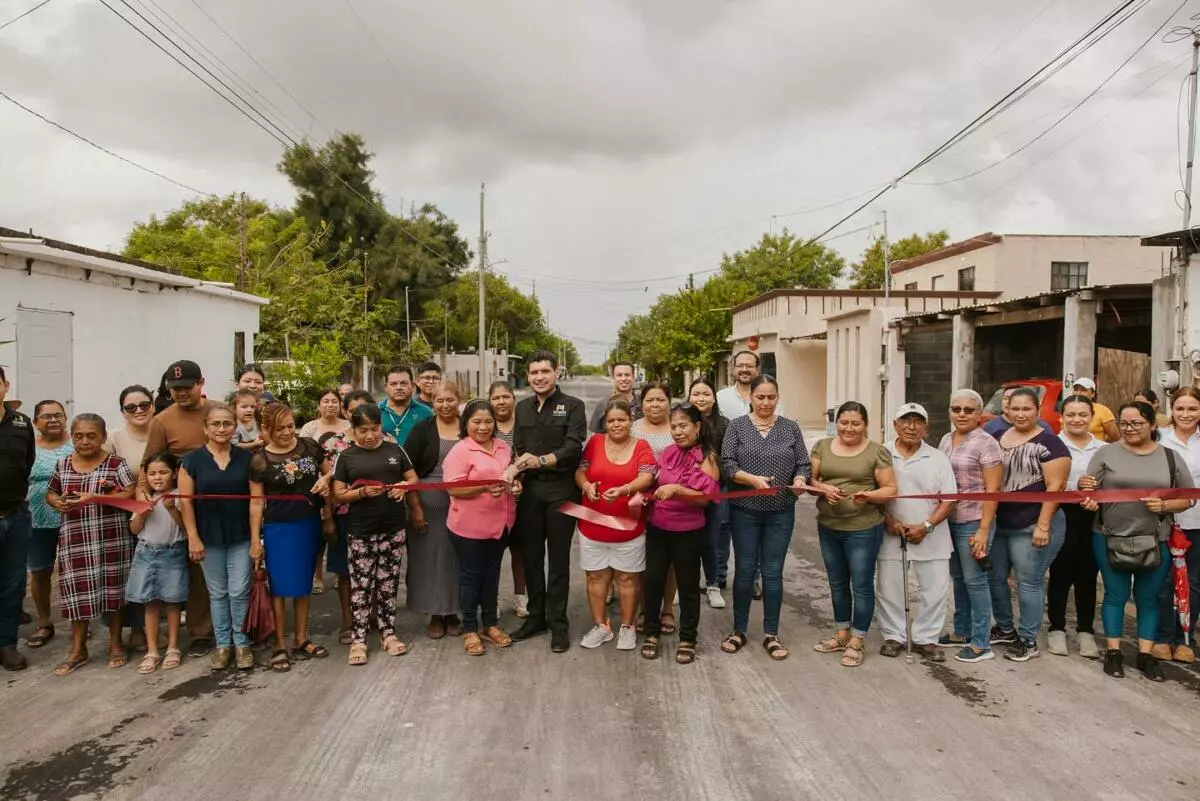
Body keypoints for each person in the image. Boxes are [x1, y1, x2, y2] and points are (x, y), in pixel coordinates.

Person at [1079, 401, 1195, 681]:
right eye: (1124, 424)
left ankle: (1145, 655)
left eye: (1136, 424)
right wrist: (1087, 498)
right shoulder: (1106, 453)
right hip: (1108, 536)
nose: (1129, 429)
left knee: (1149, 599)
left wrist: (1166, 506)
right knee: (1115, 595)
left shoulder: (1170, 457)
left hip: (1156, 538)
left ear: (1153, 425)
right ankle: (1114, 652)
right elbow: (1088, 490)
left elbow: (1189, 497)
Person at [720, 376, 814, 661]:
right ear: (751, 398)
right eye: (760, 397)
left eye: (771, 397)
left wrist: (799, 479)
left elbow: (804, 463)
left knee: (773, 573)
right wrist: (752, 480)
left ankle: (771, 634)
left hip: (780, 511)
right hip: (744, 510)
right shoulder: (737, 426)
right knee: (745, 570)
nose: (765, 403)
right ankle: (738, 630)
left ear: (778, 398)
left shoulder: (790, 428)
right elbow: (727, 464)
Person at [503, 350, 587, 653]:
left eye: (545, 371)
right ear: (528, 375)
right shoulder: (522, 408)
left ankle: (559, 624)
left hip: (563, 492)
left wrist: (539, 460)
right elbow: (519, 448)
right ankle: (536, 618)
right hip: (530, 494)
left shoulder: (573, 406)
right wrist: (515, 475)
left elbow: (573, 448)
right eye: (534, 372)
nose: (539, 377)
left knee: (559, 561)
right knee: (533, 559)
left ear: (557, 373)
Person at [45, 414, 137, 674]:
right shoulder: (63, 464)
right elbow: (50, 491)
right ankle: (78, 649)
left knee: (114, 591)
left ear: (103, 438)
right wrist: (56, 502)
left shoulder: (115, 464)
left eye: (91, 435)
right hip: (75, 540)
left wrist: (94, 497)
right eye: (78, 436)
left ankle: (116, 644)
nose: (84, 441)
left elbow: (130, 493)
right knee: (77, 592)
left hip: (111, 540)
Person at [806, 401, 895, 667]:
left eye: (855, 423)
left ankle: (858, 638)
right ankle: (842, 632)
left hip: (863, 529)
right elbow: (809, 481)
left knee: (861, 584)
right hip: (829, 526)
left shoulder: (877, 451)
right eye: (844, 422)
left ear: (865, 424)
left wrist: (868, 496)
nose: (849, 428)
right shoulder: (822, 446)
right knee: (837, 583)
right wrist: (824, 489)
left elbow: (890, 488)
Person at [331, 404, 421, 666]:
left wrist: (404, 487)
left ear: (381, 427)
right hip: (360, 531)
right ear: (354, 430)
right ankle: (359, 639)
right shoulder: (346, 457)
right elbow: (338, 494)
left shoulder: (395, 450)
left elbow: (413, 479)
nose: (370, 435)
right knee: (361, 587)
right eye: (363, 430)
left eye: (374, 429)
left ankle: (388, 633)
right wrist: (359, 493)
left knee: (388, 584)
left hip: (393, 529)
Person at [988, 387, 1071, 662]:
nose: (1021, 414)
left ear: (1037, 411)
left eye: (1027, 409)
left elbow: (1055, 487)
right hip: (1002, 524)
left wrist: (1043, 525)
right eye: (1015, 409)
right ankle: (1005, 627)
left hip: (1033, 524)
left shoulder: (1051, 443)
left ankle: (1028, 639)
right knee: (995, 577)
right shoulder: (997, 438)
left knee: (1028, 582)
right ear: (1007, 411)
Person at [141, 359, 217, 658]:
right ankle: (198, 631)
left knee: (225, 563)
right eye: (174, 389)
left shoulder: (218, 412)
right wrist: (144, 493)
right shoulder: (162, 420)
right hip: (181, 505)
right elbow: (150, 463)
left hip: (220, 500)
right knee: (192, 566)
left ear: (201, 383)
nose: (181, 394)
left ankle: (232, 624)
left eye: (186, 387)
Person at [249, 401, 332, 672]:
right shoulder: (260, 460)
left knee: (303, 583)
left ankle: (301, 637)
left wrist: (326, 480)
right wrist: (255, 541)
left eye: (289, 426)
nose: (286, 433)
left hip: (308, 523)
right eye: (279, 428)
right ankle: (279, 644)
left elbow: (330, 470)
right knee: (279, 587)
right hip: (278, 528)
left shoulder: (309, 446)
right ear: (266, 429)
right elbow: (256, 503)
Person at [641, 403, 720, 664]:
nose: (677, 431)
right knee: (652, 582)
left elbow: (705, 501)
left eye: (683, 425)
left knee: (687, 587)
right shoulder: (666, 453)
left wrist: (678, 490)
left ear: (697, 427)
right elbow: (655, 482)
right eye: (673, 426)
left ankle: (688, 638)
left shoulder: (707, 458)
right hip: (658, 528)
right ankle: (651, 632)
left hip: (688, 532)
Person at [178, 403, 255, 671]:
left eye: (227, 423)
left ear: (235, 427)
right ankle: (223, 644)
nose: (222, 429)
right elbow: (185, 503)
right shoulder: (191, 461)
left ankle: (242, 643)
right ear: (205, 428)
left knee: (239, 591)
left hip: (240, 534)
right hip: (208, 536)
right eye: (216, 424)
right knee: (218, 593)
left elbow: (256, 501)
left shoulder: (247, 459)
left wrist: (257, 540)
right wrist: (193, 537)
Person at [575, 399, 656, 651]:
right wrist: (586, 486)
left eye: (621, 420)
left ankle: (628, 627)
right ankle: (602, 626)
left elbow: (648, 476)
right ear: (604, 423)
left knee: (627, 579)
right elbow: (581, 471)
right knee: (596, 576)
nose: (616, 424)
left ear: (630, 421)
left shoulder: (641, 445)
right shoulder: (595, 442)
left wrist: (625, 489)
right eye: (611, 421)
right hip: (593, 525)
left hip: (628, 529)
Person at [879, 403, 956, 662]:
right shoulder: (881, 453)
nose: (912, 427)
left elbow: (949, 499)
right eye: (906, 421)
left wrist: (927, 526)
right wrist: (888, 519)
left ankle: (926, 638)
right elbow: (870, 492)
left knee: (934, 590)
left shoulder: (938, 457)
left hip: (931, 534)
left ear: (926, 427)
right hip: (892, 532)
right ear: (895, 425)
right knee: (890, 587)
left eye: (918, 421)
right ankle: (894, 635)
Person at [444, 399, 521, 655]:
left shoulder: (502, 447)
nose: (483, 427)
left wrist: (514, 485)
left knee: (492, 575)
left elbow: (509, 477)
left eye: (488, 421)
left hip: (500, 525)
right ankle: (469, 629)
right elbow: (453, 489)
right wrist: (485, 486)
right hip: (468, 528)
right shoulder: (460, 451)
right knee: (471, 577)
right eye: (476, 421)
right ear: (466, 423)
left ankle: (490, 625)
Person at [937, 389, 1003, 663]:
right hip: (948, 521)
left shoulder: (987, 443)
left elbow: (993, 491)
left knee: (976, 581)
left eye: (968, 410)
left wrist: (983, 530)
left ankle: (981, 642)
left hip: (973, 521)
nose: (961, 414)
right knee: (959, 579)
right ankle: (961, 631)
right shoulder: (945, 439)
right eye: (956, 409)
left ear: (979, 414)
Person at [402, 380, 462, 639]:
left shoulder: (469, 426)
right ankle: (434, 615)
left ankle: (454, 612)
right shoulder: (422, 429)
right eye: (439, 401)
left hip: (463, 505)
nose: (445, 405)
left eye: (450, 400)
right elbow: (407, 470)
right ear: (432, 402)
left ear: (458, 400)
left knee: (456, 559)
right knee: (428, 561)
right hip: (427, 506)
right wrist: (415, 507)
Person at [1047, 394, 1103, 659]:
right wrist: (1075, 487)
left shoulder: (1104, 448)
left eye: (1083, 414)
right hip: (1061, 514)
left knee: (1088, 574)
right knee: (1060, 572)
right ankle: (1056, 628)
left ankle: (1085, 631)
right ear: (1061, 417)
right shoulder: (1052, 445)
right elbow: (1047, 483)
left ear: (1092, 417)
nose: (1077, 420)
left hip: (1093, 517)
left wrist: (1097, 496)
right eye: (1071, 414)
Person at [104, 385, 156, 654]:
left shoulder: (162, 431)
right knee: (132, 572)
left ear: (153, 405)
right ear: (122, 411)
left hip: (161, 513)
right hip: (124, 515)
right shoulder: (114, 437)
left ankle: (156, 627)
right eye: (131, 407)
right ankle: (135, 628)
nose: (138, 410)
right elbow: (104, 473)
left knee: (157, 570)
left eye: (144, 404)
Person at [125, 452, 188, 673]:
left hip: (173, 552)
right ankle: (152, 650)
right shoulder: (143, 497)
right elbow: (134, 530)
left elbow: (186, 529)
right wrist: (141, 513)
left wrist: (172, 509)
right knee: (149, 603)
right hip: (146, 553)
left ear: (174, 474)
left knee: (172, 602)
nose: (157, 477)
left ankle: (172, 647)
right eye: (152, 473)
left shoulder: (180, 495)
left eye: (163, 472)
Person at [24, 400, 74, 652]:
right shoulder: (27, 446)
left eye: (58, 415)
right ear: (35, 422)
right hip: (36, 519)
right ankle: (44, 622)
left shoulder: (77, 444)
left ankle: (79, 623)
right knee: (40, 571)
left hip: (73, 518)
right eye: (46, 416)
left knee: (75, 571)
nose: (53, 420)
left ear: (66, 418)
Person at [1156, 386, 1200, 662]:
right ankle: (1161, 637)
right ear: (1171, 410)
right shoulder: (1159, 439)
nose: (1186, 414)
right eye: (1180, 408)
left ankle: (1185, 638)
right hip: (1162, 521)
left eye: (1192, 408)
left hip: (1197, 522)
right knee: (1163, 581)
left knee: (1193, 582)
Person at [631, 380, 677, 630]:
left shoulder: (678, 428)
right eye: (650, 400)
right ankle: (643, 610)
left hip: (672, 502)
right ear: (642, 404)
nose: (655, 404)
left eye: (660, 399)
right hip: (638, 502)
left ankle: (667, 609)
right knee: (640, 558)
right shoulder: (633, 428)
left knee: (669, 560)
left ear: (669, 402)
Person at [0, 365, 35, 671]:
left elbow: (28, 461)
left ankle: (7, 644)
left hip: (16, 515)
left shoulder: (22, 423)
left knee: (13, 583)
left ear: (5, 385)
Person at [690, 376, 731, 608]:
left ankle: (713, 584)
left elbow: (728, 460)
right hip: (686, 487)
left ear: (714, 398)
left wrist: (710, 475)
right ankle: (683, 583)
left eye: (706, 394)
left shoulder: (724, 424)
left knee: (713, 537)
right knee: (685, 536)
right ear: (689, 397)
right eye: (696, 394)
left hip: (717, 487)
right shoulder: (681, 420)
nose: (701, 398)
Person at [489, 380, 528, 617]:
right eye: (496, 398)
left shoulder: (524, 424)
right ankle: (490, 598)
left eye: (506, 397)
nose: (501, 402)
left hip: (521, 496)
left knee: (520, 552)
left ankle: (520, 598)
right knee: (492, 553)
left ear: (514, 398)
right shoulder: (485, 425)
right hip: (491, 499)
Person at [379, 365, 432, 444]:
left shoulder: (426, 413)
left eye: (404, 383)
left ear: (413, 386)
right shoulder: (375, 411)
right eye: (393, 384)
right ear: (386, 387)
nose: (399, 387)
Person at [589, 361, 642, 433]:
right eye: (619, 375)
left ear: (633, 377)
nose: (623, 379)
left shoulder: (643, 403)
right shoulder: (604, 404)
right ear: (613, 378)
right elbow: (595, 436)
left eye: (627, 375)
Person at [1070, 378, 1117, 442]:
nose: (1078, 393)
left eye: (1083, 390)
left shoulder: (1103, 410)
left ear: (1093, 394)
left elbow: (1115, 437)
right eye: (1076, 390)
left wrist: (1100, 445)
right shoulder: (1067, 409)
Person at [716, 350, 759, 419]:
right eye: (740, 366)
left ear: (757, 370)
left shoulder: (767, 397)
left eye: (749, 366)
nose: (744, 370)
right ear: (733, 369)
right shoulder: (720, 397)